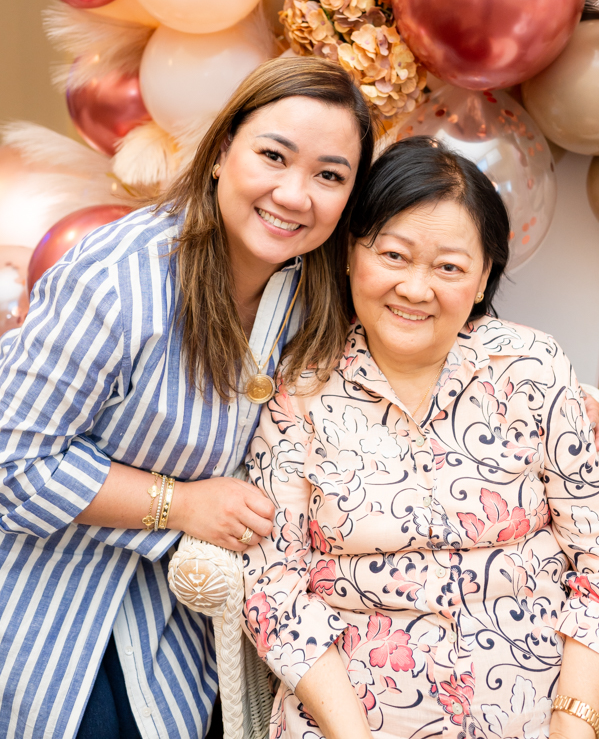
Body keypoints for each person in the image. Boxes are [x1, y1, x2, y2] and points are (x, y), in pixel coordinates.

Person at [0, 56, 375, 739]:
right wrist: (181, 504)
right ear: (220, 153)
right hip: (52, 604)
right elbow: (13, 464)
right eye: (272, 156)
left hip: (189, 621)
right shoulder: (120, 275)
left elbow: (428, 309)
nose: (294, 195)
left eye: (329, 175)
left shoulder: (313, 293)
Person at [243, 136, 599, 739]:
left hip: (544, 711)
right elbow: (271, 584)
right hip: (351, 719)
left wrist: (577, 719)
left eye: (449, 267)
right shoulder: (298, 391)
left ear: (484, 277)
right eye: (394, 255)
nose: (415, 288)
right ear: (353, 255)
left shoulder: (531, 368)